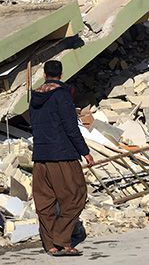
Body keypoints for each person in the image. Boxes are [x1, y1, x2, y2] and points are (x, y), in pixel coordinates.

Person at [29, 60, 94, 257]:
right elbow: (70, 126)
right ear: (61, 73)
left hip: (40, 157)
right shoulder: (61, 95)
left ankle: (49, 244)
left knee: (45, 202)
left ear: (45, 73)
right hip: (62, 154)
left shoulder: (35, 97)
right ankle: (62, 239)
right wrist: (84, 151)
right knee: (76, 195)